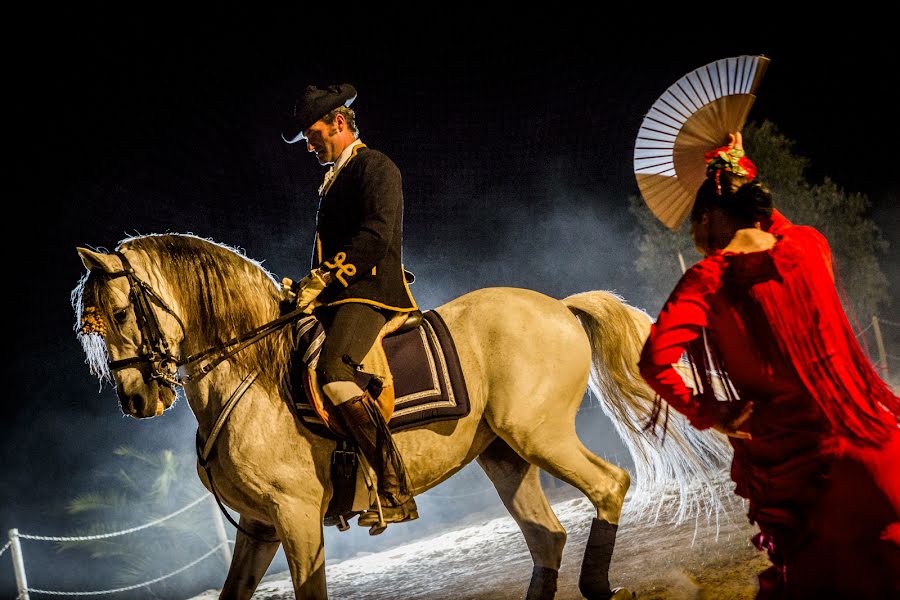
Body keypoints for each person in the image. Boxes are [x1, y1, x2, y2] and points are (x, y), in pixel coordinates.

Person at [637, 133, 900, 598]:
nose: (696, 239)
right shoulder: (809, 246)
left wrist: (710, 413)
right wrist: (733, 163)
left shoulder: (708, 279)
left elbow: (654, 362)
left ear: (710, 216)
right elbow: (774, 226)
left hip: (806, 486)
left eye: (695, 226)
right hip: (877, 451)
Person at [281, 83, 419, 534]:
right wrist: (305, 286)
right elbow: (328, 252)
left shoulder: (374, 166)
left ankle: (396, 488)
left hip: (371, 291)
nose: (308, 142)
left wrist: (325, 279)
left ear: (339, 123)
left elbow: (376, 235)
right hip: (339, 294)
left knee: (335, 376)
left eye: (312, 132)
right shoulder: (335, 178)